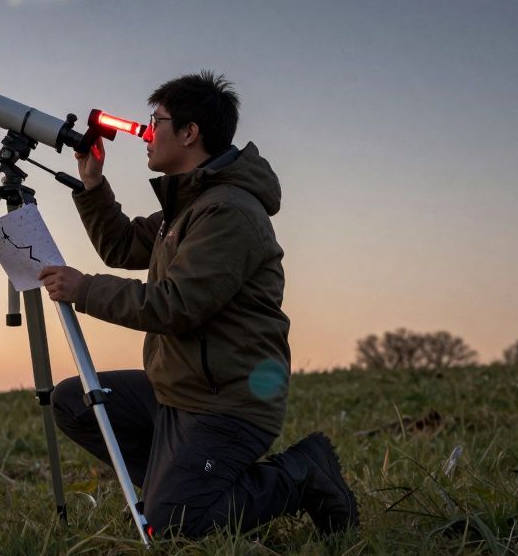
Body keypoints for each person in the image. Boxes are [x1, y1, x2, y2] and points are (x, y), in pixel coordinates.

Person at [37, 72, 358, 539]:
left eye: (157, 121)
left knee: (174, 526)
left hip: (225, 402)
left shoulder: (227, 211)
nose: (146, 133)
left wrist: (83, 289)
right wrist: (92, 184)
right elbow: (123, 246)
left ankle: (302, 474)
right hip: (177, 391)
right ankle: (183, 485)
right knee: (74, 401)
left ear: (190, 132)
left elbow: (176, 305)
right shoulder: (186, 207)